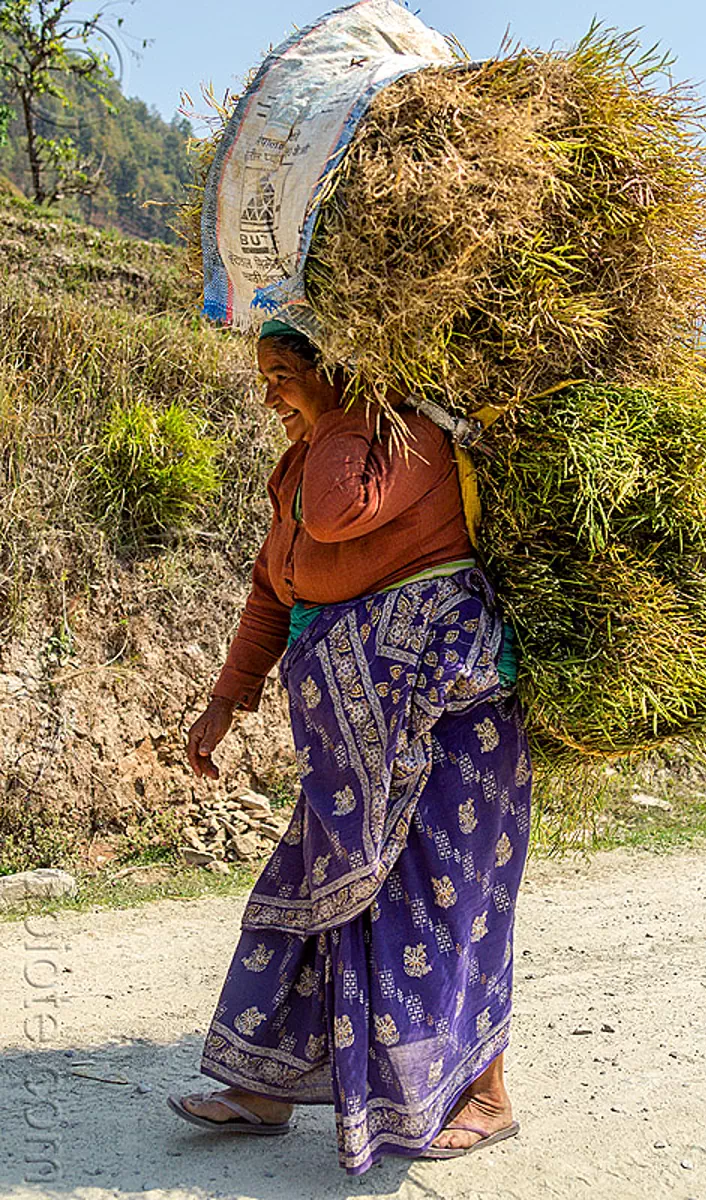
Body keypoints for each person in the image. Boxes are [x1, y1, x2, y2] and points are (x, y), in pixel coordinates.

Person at [168, 321, 532, 1175]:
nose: (269, 398)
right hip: (351, 738)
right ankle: (266, 1086)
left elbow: (336, 517)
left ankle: (486, 1094)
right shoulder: (307, 461)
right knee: (321, 890)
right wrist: (229, 695)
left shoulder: (413, 435)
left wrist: (336, 406)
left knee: (439, 900)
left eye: (284, 375)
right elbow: (276, 584)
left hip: (449, 721)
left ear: (335, 371)